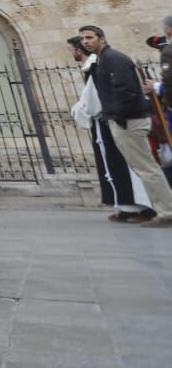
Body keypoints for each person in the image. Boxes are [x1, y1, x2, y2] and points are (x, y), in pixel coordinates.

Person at [78, 25, 172, 226]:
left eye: (89, 37)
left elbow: (126, 91)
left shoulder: (114, 59)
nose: (85, 42)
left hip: (129, 120)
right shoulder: (105, 59)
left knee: (147, 167)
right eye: (83, 39)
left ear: (102, 38)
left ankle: (167, 211)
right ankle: (162, 209)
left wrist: (118, 116)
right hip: (123, 119)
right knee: (143, 167)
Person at [70, 36, 155, 222]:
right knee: (115, 166)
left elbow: (94, 101)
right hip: (110, 120)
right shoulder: (98, 66)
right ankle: (127, 206)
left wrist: (78, 111)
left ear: (78, 51)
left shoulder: (98, 67)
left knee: (127, 164)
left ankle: (144, 207)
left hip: (114, 120)